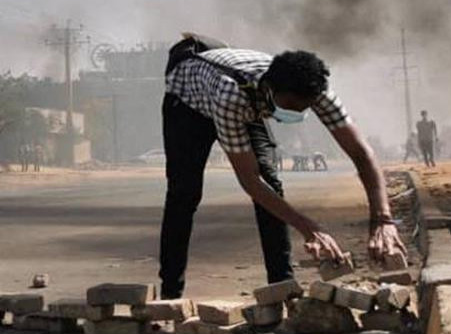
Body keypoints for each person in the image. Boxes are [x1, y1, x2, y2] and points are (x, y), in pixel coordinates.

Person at [159, 35, 406, 300]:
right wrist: (309, 228)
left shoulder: (316, 90)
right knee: (184, 194)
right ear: (270, 90)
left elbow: (361, 153)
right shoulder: (232, 95)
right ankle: (170, 295)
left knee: (272, 183)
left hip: (246, 101)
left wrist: (383, 219)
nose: (297, 113)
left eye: (304, 107)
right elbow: (249, 180)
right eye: (290, 106)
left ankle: (282, 289)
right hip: (188, 103)